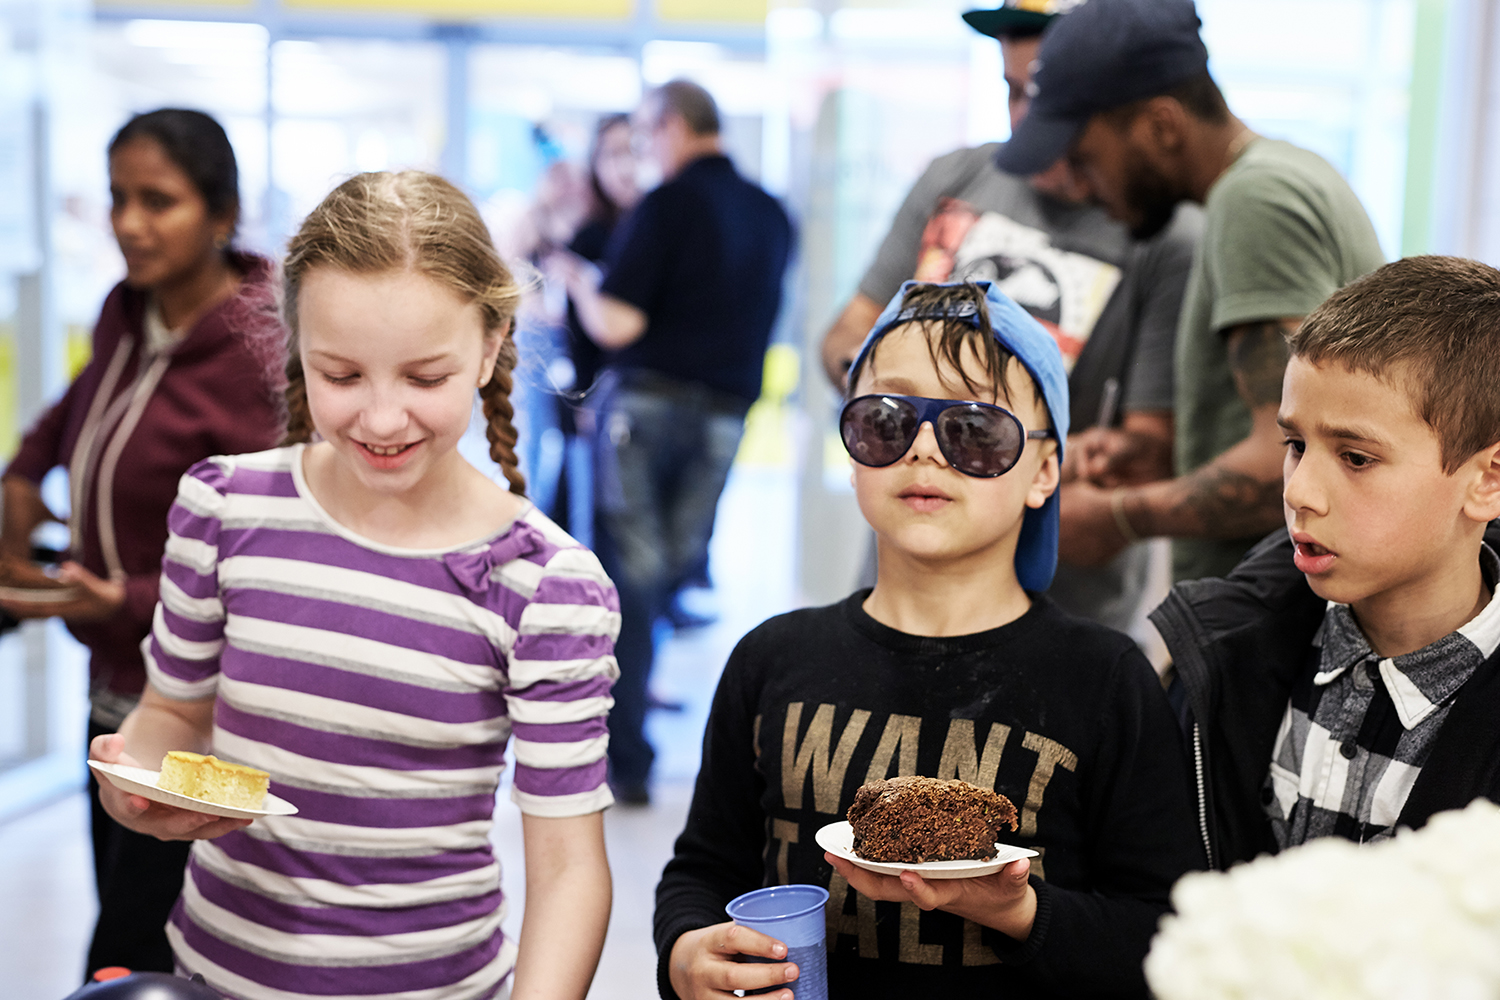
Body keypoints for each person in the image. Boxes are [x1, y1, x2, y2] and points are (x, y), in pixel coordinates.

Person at [88, 170, 616, 1000]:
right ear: (295, 342)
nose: (379, 418)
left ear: (489, 344)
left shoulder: (542, 582)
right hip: (215, 974)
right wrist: (140, 791)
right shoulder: (224, 508)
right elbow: (172, 715)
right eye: (341, 375)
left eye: (424, 378)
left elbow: (567, 869)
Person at [656, 281, 1200, 999]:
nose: (922, 448)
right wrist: (686, 952)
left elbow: (1165, 937)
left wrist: (1019, 911)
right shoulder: (771, 660)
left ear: (1044, 471)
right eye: (886, 420)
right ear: (852, 450)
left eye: (974, 428)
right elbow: (703, 870)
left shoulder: (1105, 681)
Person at [0, 108, 283, 978]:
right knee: (129, 936)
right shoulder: (128, 311)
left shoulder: (263, 345)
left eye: (158, 201)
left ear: (222, 214)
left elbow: (270, 564)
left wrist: (117, 599)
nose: (129, 223)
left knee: (136, 955)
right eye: (119, 198)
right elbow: (76, 409)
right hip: (116, 694)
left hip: (210, 720)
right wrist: (22, 475)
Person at [820, 0, 1201, 634]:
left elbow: (1150, 446)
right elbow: (845, 333)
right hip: (901, 591)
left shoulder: (1163, 235)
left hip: (1062, 607)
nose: (1026, 120)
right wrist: (891, 411)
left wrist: (987, 440)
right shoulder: (955, 176)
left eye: (1044, 98)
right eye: (1011, 92)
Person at [995, 0, 1384, 584]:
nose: (1080, 185)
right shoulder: (1286, 174)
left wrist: (1120, 517)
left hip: (1273, 623)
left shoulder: (1254, 202)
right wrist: (1157, 460)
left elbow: (1301, 461)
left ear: (1161, 127)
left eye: (1086, 159)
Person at [1150, 256, 1500, 870]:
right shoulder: (1225, 649)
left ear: (1487, 482)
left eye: (1357, 457)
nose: (1299, 492)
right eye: (1295, 446)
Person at [561, 79, 793, 804]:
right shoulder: (774, 215)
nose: (642, 152)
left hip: (647, 410)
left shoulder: (666, 205)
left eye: (644, 134)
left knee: (628, 580)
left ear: (672, 126)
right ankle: (640, 739)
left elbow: (617, 325)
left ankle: (625, 759)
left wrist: (574, 279)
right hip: (726, 417)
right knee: (668, 576)